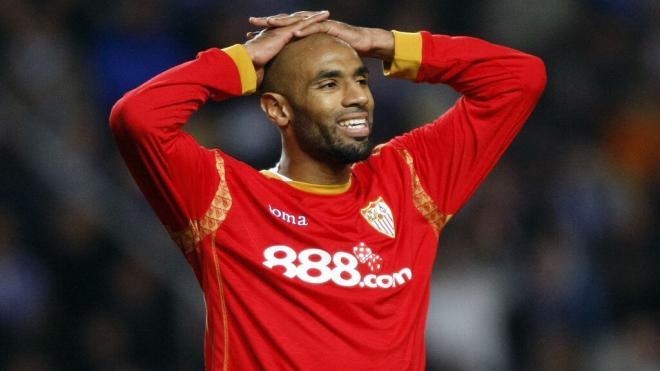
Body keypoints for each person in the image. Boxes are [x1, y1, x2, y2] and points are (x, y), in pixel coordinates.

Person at [109, 10, 546, 371]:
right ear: (278, 108)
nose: (357, 96)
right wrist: (244, 61)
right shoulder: (222, 197)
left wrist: (383, 43)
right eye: (329, 84)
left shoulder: (410, 181)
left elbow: (520, 78)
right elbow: (138, 118)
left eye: (361, 79)